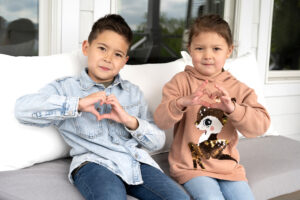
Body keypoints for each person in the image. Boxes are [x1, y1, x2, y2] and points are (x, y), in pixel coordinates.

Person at [15, 14, 189, 200]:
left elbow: (157, 142)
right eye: (102, 49)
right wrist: (78, 104)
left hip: (134, 161)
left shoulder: (132, 92)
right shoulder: (66, 88)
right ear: (86, 48)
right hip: (92, 162)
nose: (108, 58)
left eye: (117, 54)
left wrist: (128, 120)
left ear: (124, 61)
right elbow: (23, 109)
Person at [154, 14, 270, 200]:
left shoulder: (239, 88)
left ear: (229, 51)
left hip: (229, 168)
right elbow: (160, 120)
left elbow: (260, 126)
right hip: (192, 167)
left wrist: (233, 109)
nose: (207, 56)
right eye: (200, 48)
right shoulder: (180, 82)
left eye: (216, 49)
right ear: (190, 50)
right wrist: (182, 102)